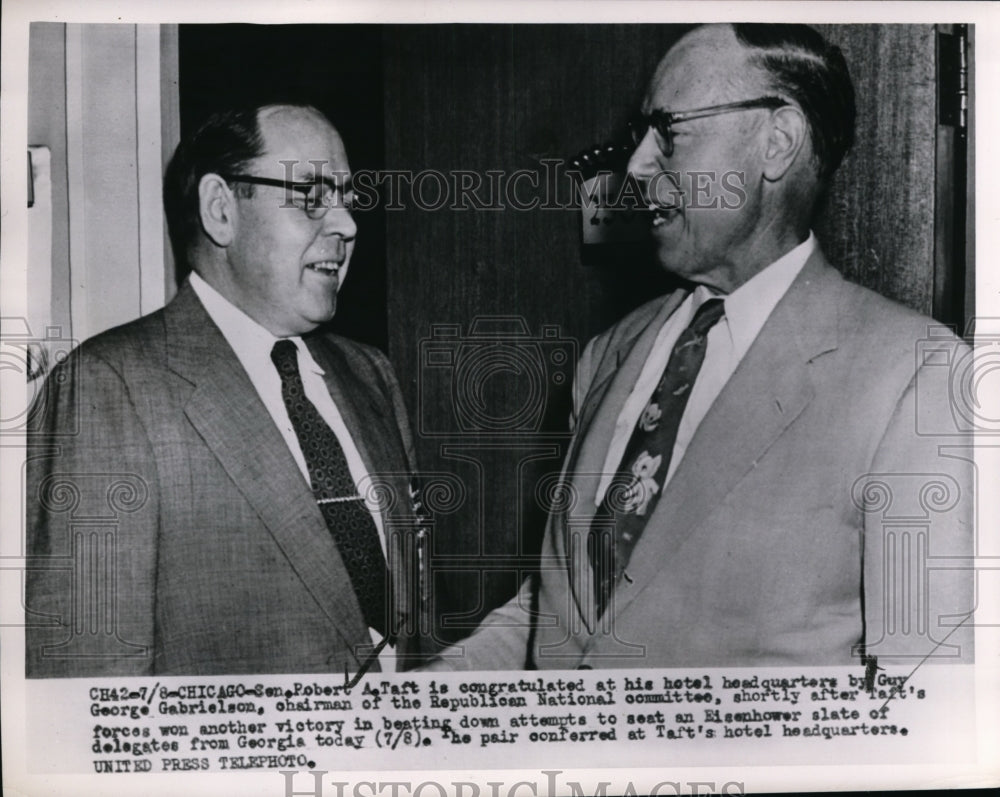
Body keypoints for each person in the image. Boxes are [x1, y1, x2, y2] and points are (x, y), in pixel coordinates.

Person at [426, 23, 975, 669]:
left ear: (777, 141)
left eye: (670, 132)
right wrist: (431, 690)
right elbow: (564, 615)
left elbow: (927, 688)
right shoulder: (609, 354)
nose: (635, 167)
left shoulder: (914, 376)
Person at [25, 102, 424, 676]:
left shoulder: (371, 376)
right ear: (220, 211)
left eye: (347, 197)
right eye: (312, 195)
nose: (346, 225)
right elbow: (89, 687)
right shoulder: (108, 388)